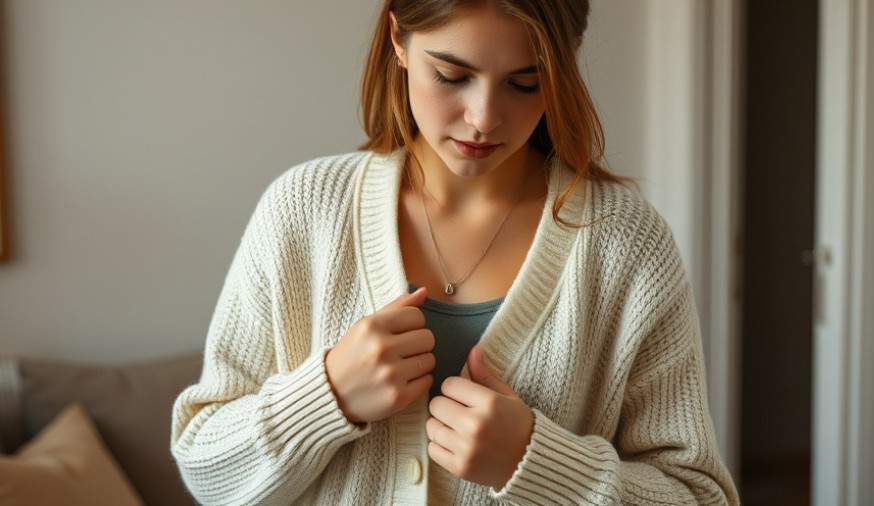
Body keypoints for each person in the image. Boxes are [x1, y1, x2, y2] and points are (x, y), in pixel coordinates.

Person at [171, 0, 740, 504]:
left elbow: (699, 496)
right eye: (451, 75)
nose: (484, 118)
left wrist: (539, 466)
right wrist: (327, 397)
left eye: (525, 82)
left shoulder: (626, 243)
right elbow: (206, 469)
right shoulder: (303, 211)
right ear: (398, 40)